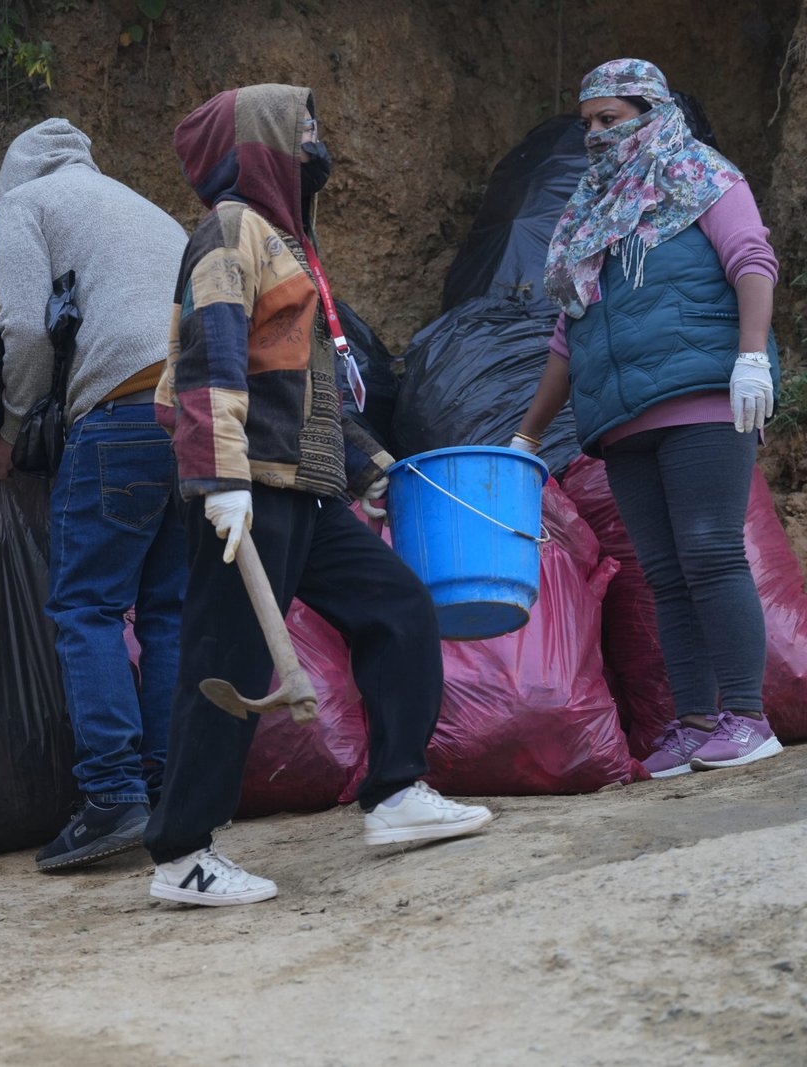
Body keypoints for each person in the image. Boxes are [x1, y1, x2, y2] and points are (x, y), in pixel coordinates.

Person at [144, 83, 493, 907]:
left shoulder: (287, 242)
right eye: (298, 126)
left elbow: (311, 386)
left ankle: (399, 791)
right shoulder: (231, 232)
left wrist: (373, 467)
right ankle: (181, 854)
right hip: (249, 489)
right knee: (223, 661)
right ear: (259, 143)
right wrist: (219, 481)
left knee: (398, 606)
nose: (314, 139)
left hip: (304, 488)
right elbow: (208, 361)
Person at [513, 59, 783, 778]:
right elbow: (568, 336)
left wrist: (751, 358)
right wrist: (527, 434)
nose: (599, 135)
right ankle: (694, 722)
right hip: (623, 418)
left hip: (701, 395)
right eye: (589, 124)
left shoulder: (701, 176)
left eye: (613, 118)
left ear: (652, 110)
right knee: (664, 573)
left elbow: (752, 260)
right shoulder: (587, 212)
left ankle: (749, 718)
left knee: (711, 552)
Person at [0, 119, 189, 872]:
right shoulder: (132, 203)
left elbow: (25, 332)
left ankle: (111, 794)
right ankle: (167, 792)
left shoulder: (25, 205)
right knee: (169, 612)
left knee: (85, 606)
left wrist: (8, 426)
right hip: (201, 419)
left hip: (125, 414)